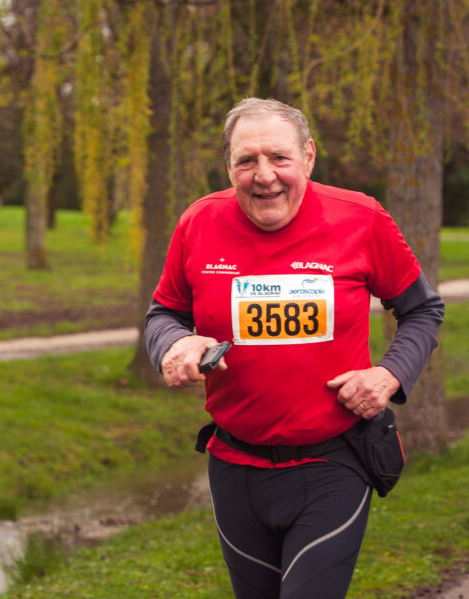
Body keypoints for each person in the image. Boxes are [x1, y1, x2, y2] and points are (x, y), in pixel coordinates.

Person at [144, 98, 444, 599]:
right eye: (247, 160)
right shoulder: (200, 221)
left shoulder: (361, 218)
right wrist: (174, 343)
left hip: (333, 462)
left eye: (279, 158)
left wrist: (389, 374)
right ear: (229, 167)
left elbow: (422, 310)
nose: (264, 176)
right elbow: (163, 313)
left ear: (308, 156)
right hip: (235, 467)